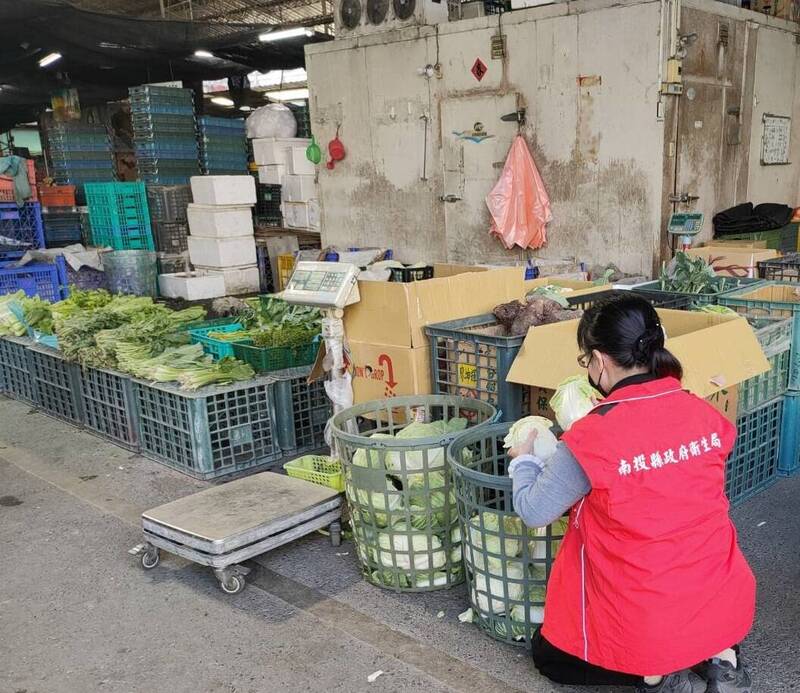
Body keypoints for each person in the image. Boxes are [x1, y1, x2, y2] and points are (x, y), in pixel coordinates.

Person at [508, 293, 755, 693]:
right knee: (693, 609)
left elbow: (534, 511)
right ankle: (721, 659)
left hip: (645, 609)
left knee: (548, 655)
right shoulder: (701, 412)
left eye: (586, 360)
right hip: (720, 595)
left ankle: (657, 674)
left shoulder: (594, 434)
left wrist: (523, 461)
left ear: (600, 361)